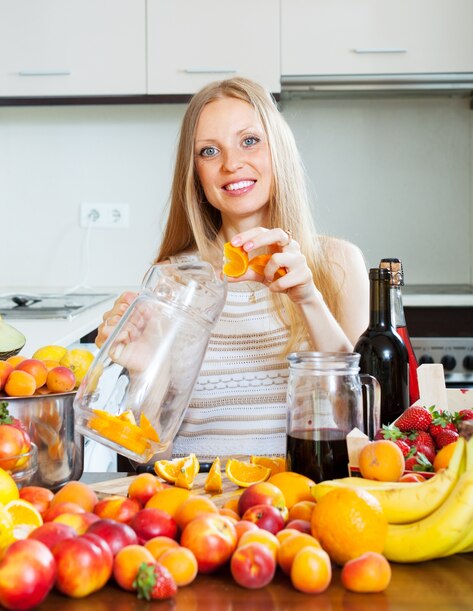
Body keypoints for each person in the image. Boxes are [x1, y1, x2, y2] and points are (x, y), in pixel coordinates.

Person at [96, 77, 369, 460]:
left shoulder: (337, 264)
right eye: (209, 151)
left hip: (300, 492)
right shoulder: (174, 279)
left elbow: (362, 427)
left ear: (279, 150)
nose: (231, 164)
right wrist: (145, 372)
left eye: (250, 141)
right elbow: (148, 452)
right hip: (197, 500)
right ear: (195, 173)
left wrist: (308, 299)